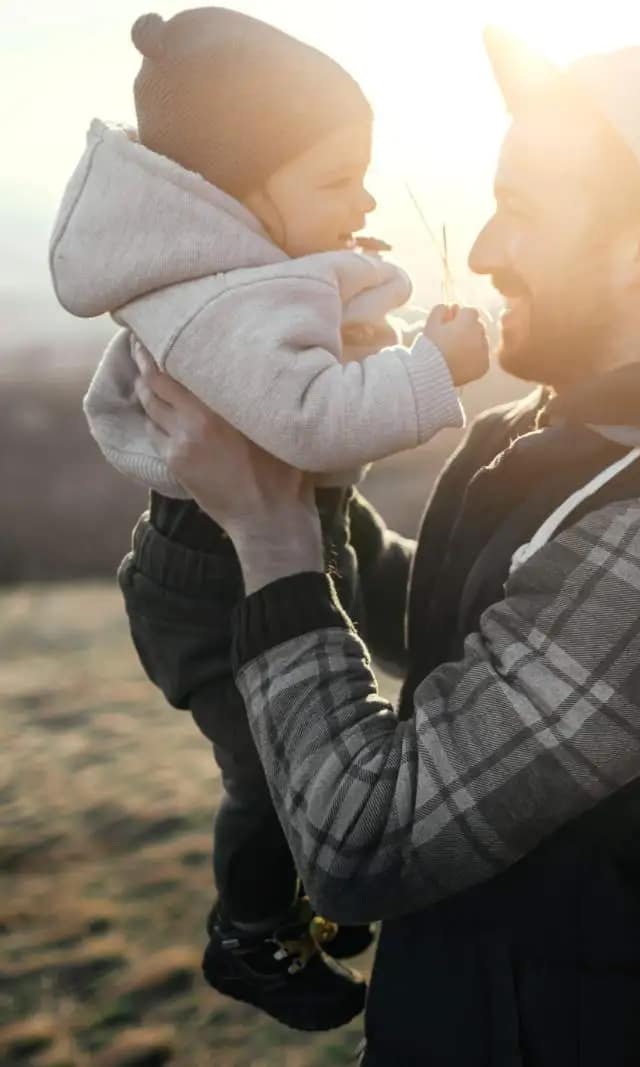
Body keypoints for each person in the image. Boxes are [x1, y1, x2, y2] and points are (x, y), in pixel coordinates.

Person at [122, 28, 640, 1066]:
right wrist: (284, 480)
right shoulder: (547, 436)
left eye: (521, 207)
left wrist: (270, 533)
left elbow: (360, 842)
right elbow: (445, 625)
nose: (480, 250)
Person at [48, 7, 488, 1031]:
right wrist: (435, 367)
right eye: (337, 181)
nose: (365, 199)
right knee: (270, 769)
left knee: (417, 632)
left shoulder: (242, 264)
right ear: (242, 197)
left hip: (308, 529)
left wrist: (343, 270)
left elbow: (305, 359)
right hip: (213, 578)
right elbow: (310, 414)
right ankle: (251, 930)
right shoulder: (220, 303)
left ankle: (343, 866)